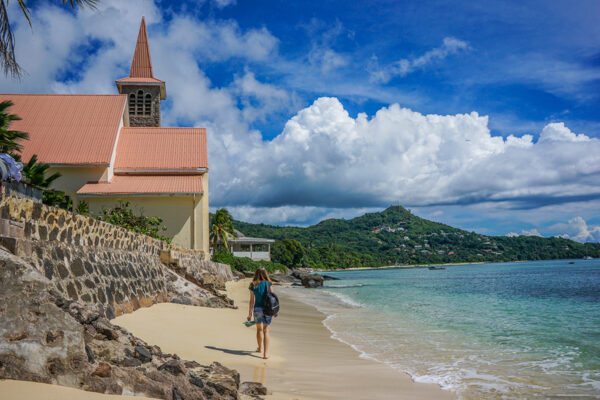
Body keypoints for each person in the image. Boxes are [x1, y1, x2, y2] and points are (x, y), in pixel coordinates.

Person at [248, 267, 277, 359]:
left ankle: (260, 348)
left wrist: (249, 314)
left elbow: (251, 301)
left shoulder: (253, 284)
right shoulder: (269, 283)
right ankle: (265, 354)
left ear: (256, 274)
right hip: (268, 309)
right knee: (266, 330)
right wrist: (275, 311)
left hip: (257, 309)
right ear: (265, 274)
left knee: (259, 329)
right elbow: (273, 298)